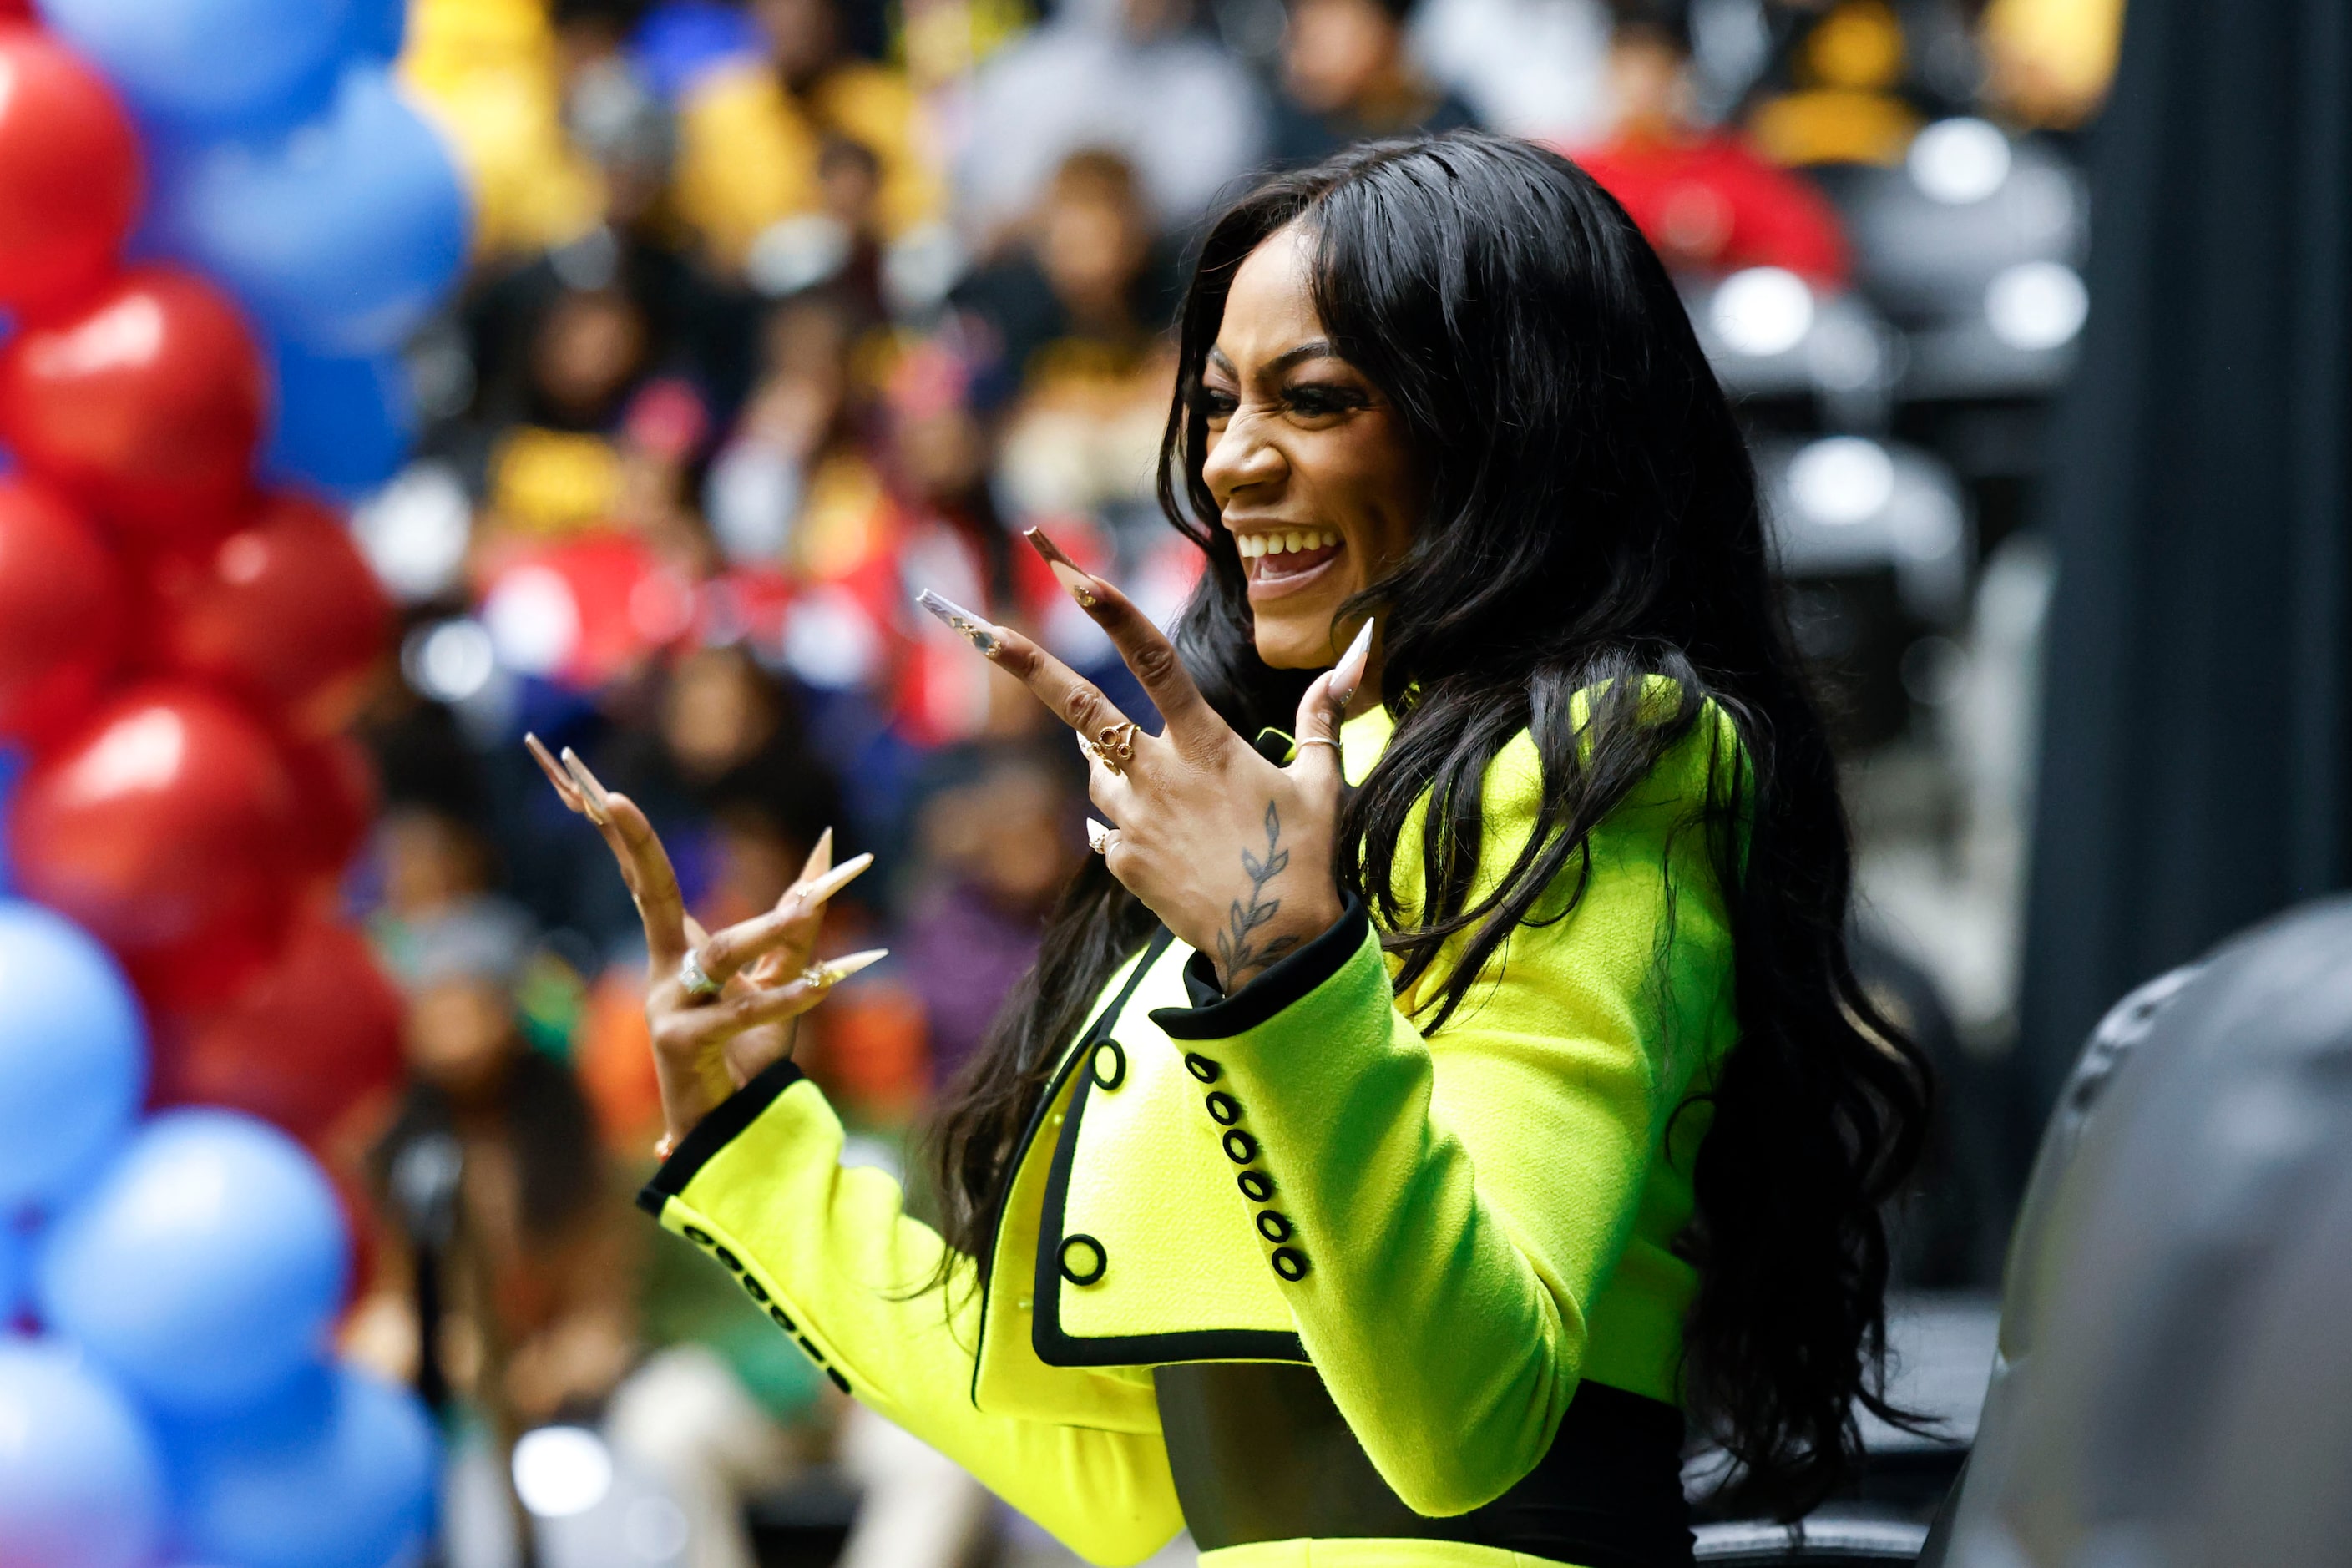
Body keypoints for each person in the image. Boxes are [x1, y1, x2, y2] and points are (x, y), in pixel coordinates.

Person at [534, 133, 1931, 1565]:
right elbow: (1106, 1476)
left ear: (1510, 420)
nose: (1232, 461)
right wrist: (743, 1129)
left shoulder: (1598, 756)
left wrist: (1277, 958)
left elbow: (1470, 1421)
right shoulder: (1263, 810)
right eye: (1212, 404)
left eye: (1313, 399)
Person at [1267, 0, 1479, 168]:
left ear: (1385, 26)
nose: (1304, 45)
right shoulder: (1296, 136)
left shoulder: (1452, 124)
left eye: (1326, 18)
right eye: (1301, 23)